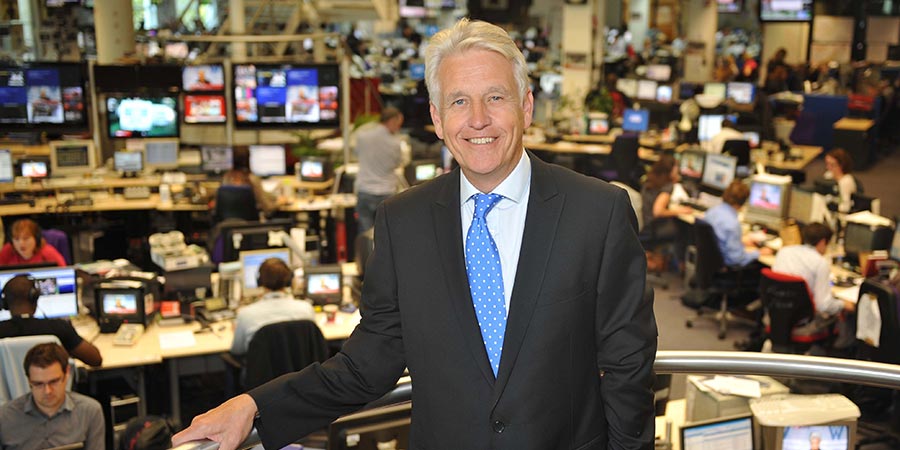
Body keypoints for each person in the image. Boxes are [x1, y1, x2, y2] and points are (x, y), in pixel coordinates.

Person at [173, 18, 657, 450]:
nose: (478, 119)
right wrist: (255, 405)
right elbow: (367, 364)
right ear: (437, 119)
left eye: (496, 97)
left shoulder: (597, 211)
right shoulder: (403, 221)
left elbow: (628, 366)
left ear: (526, 107)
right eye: (459, 101)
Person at [0, 343, 105, 450]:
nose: (47, 391)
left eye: (54, 382)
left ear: (67, 373)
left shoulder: (89, 412)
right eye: (38, 384)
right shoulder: (4, 417)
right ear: (29, 380)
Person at [0, 275, 102, 366]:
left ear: (5, 304)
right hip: (52, 382)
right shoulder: (58, 328)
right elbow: (95, 360)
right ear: (35, 298)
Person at [230, 258, 315, 356]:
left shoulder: (245, 315)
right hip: (302, 366)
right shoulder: (306, 309)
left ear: (259, 281)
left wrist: (238, 329)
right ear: (289, 281)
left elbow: (237, 350)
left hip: (262, 366)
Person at [773, 222, 855, 316]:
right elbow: (823, 305)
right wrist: (843, 304)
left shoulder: (784, 251)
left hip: (776, 312)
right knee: (845, 315)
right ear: (823, 242)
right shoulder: (820, 263)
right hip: (801, 317)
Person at [353, 106, 406, 234]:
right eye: (398, 124)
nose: (398, 128)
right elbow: (397, 163)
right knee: (386, 235)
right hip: (387, 192)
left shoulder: (362, 136)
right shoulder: (395, 143)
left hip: (365, 191)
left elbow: (356, 153)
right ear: (391, 121)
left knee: (365, 235)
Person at [704, 181, 773, 267]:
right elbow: (737, 259)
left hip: (708, 264)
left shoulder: (711, 212)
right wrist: (758, 253)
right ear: (743, 202)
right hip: (725, 268)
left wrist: (739, 242)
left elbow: (719, 240)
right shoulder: (733, 224)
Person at [0, 219, 66, 267]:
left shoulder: (48, 253)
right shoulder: (7, 251)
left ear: (36, 239)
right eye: (16, 239)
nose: (21, 243)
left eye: (26, 238)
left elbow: (64, 274)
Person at [824, 148, 858, 214]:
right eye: (827, 164)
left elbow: (845, 207)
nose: (828, 167)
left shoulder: (846, 181)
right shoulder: (828, 175)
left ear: (841, 165)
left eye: (832, 165)